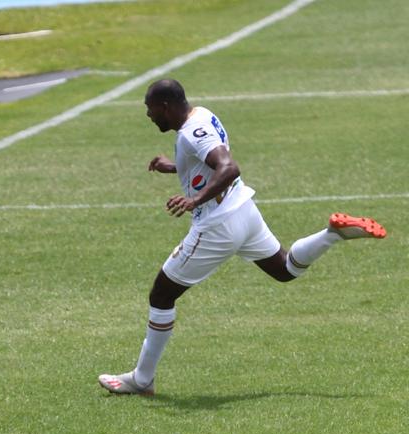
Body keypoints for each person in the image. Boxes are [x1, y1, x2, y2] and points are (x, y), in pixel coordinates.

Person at [98, 78, 387, 396]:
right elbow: (207, 161)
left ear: (164, 106)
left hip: (217, 226)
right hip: (244, 212)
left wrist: (195, 200)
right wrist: (175, 167)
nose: (149, 115)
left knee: (161, 295)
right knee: (285, 269)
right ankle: (332, 234)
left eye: (150, 109)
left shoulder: (191, 133)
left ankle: (142, 380)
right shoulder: (203, 115)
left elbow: (228, 167)